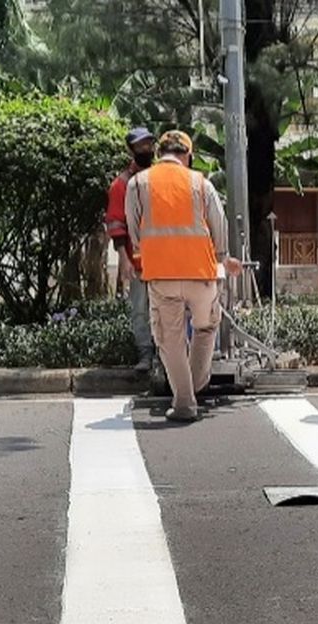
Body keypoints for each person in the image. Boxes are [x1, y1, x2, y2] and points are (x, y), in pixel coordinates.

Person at [125, 130, 242, 423]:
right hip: (200, 275)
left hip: (161, 277)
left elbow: (134, 232)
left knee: (170, 341)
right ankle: (198, 381)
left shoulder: (138, 183)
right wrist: (222, 258)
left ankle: (185, 403)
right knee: (205, 327)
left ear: (159, 153)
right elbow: (219, 225)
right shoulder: (201, 183)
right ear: (187, 155)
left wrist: (147, 253)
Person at [106, 126, 158, 373]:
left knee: (166, 311)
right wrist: (123, 259)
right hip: (138, 262)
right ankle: (146, 355)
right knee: (140, 310)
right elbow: (116, 224)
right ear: (131, 149)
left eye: (148, 144)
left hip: (166, 261)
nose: (146, 149)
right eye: (141, 145)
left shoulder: (162, 178)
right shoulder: (121, 185)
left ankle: (165, 355)